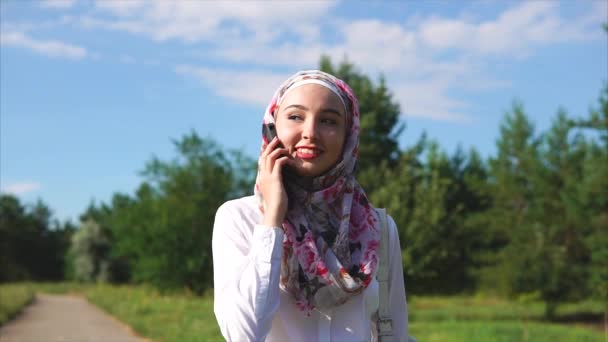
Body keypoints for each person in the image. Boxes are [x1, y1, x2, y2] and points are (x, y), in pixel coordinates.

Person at [212, 70, 409, 341]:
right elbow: (244, 334)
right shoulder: (239, 218)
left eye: (329, 121)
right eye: (295, 116)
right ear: (272, 127)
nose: (310, 132)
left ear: (348, 136)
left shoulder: (378, 229)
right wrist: (272, 220)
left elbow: (396, 333)